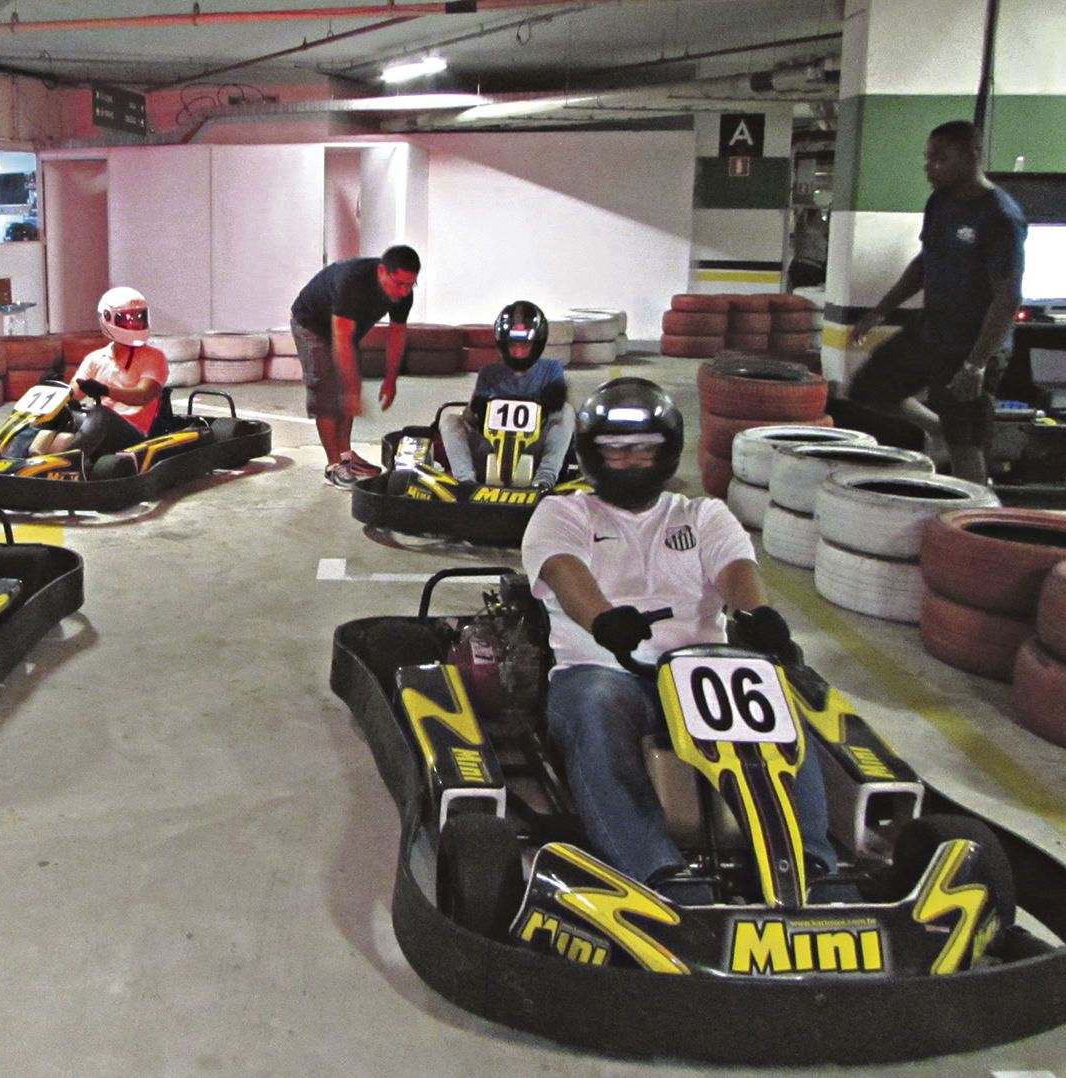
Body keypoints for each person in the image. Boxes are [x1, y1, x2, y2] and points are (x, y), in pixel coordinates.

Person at [519, 377, 842, 905]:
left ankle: (810, 869)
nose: (631, 462)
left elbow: (736, 566)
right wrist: (603, 620)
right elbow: (562, 568)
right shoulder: (564, 512)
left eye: (644, 449)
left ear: (665, 451)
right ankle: (657, 875)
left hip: (703, 674)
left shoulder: (701, 514)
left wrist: (757, 614)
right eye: (615, 451)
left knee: (779, 707)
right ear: (591, 455)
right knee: (597, 707)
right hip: (607, 669)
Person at [848, 120, 1026, 483]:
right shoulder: (940, 201)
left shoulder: (1000, 217)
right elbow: (924, 263)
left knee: (967, 445)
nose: (929, 167)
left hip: (973, 346)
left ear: (972, 155)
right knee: (869, 389)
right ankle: (936, 427)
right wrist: (880, 310)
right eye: (928, 158)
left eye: (940, 158)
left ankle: (969, 526)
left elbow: (1007, 298)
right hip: (931, 332)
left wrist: (976, 365)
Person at [289, 244, 420, 488]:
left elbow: (397, 334)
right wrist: (351, 390)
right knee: (327, 388)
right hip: (312, 323)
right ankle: (333, 465)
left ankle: (346, 456)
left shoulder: (404, 294)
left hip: (347, 331)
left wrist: (391, 379)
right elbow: (340, 337)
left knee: (349, 384)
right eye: (399, 283)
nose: (403, 291)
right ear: (382, 271)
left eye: (409, 285)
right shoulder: (353, 281)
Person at [437, 300, 573, 490]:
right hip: (491, 450)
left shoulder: (551, 370)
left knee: (566, 412)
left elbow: (558, 412)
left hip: (532, 451)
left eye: (524, 345)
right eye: (513, 345)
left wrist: (553, 400)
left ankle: (544, 481)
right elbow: (470, 418)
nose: (518, 352)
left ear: (537, 345)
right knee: (449, 419)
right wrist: (475, 408)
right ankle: (466, 482)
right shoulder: (489, 373)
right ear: (503, 344)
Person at [33, 286, 167, 461]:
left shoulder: (154, 357)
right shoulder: (95, 359)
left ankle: (68, 464)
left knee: (101, 414)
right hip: (98, 427)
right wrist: (54, 390)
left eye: (139, 317)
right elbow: (74, 395)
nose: (134, 323)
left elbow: (143, 395)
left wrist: (106, 391)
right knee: (57, 413)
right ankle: (15, 454)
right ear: (107, 318)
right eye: (127, 318)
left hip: (135, 434)